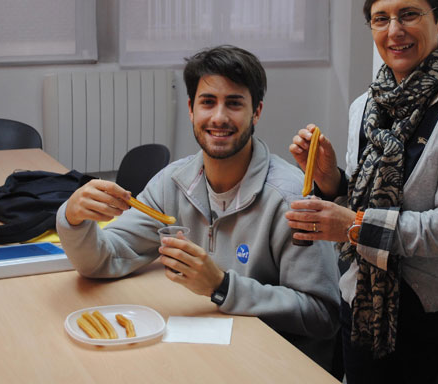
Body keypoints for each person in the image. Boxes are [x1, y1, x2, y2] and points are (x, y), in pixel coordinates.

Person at [286, 0, 438, 383]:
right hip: (364, 306)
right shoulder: (367, 105)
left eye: (409, 15)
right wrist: (331, 179)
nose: (394, 32)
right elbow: (362, 200)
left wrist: (353, 226)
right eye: (380, 19)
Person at [56, 45, 340, 370]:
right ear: (191, 109)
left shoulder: (293, 199)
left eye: (234, 103)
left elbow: (323, 316)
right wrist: (73, 217)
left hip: (274, 366)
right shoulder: (172, 182)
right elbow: (105, 259)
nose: (219, 117)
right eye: (208, 102)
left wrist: (222, 286)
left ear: (256, 111)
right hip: (202, 359)